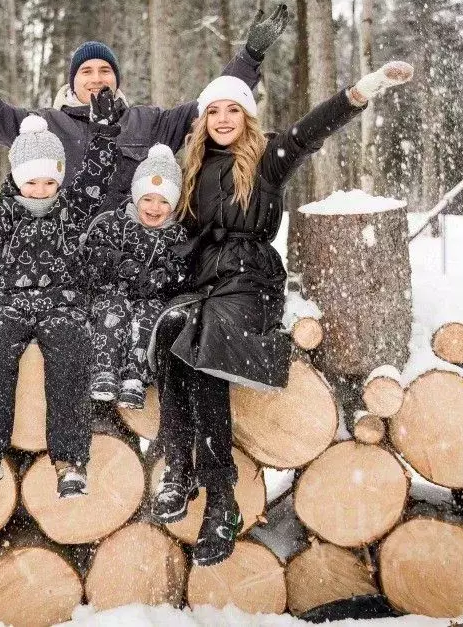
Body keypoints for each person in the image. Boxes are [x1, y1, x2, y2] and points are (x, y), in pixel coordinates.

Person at [150, 62, 415, 566]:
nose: (223, 118)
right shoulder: (190, 169)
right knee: (170, 335)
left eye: (233, 109)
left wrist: (363, 89)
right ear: (202, 119)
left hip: (251, 282)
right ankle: (178, 467)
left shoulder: (267, 158)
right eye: (213, 110)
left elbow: (311, 130)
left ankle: (221, 498)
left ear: (248, 118)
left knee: (204, 348)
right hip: (203, 281)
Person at [0, 0, 291, 209]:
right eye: (86, 71)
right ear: (73, 81)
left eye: (105, 69)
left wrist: (250, 56)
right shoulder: (45, 125)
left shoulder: (149, 122)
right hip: (65, 256)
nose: (97, 78)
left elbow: (212, 105)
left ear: (116, 79)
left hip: (129, 255)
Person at [0, 89, 123, 501]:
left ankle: (70, 462)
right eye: (32, 181)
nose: (41, 189)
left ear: (59, 178)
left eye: (50, 180)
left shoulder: (73, 208)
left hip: (63, 303)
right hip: (10, 305)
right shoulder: (7, 212)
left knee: (72, 356)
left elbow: (96, 175)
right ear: (19, 179)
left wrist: (105, 132)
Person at [82, 144, 189, 409]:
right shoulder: (114, 223)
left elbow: (180, 269)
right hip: (111, 292)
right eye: (148, 199)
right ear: (135, 197)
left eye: (164, 201)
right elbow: (95, 254)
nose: (155, 207)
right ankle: (104, 369)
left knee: (149, 316)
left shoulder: (176, 235)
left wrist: (159, 278)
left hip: (150, 297)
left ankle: (135, 377)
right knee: (114, 311)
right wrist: (125, 265)